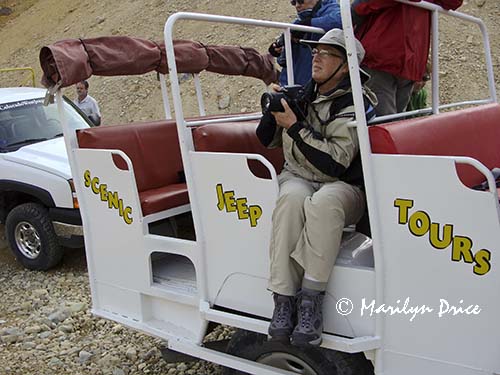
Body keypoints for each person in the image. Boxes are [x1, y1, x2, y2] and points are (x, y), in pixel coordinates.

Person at [257, 28, 376, 347]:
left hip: (343, 185)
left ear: (345, 66)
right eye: (315, 51)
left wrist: (294, 126)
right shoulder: (304, 93)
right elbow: (266, 139)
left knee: (323, 204)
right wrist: (273, 111)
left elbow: (336, 163)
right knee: (291, 198)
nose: (317, 57)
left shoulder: (354, 104)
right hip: (299, 177)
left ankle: (310, 301)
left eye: (328, 53)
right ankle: (282, 301)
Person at [351, 0, 462, 116]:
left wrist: (355, 9)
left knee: (384, 124)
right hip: (409, 62)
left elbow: (361, 7)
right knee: (395, 123)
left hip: (382, 58)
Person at [269, 0, 342, 86]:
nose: (297, 6)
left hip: (316, 88)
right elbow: (285, 61)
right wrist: (280, 49)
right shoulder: (297, 24)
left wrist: (309, 24)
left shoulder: (331, 10)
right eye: (293, 3)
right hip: (292, 85)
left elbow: (341, 21)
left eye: (300, 1)